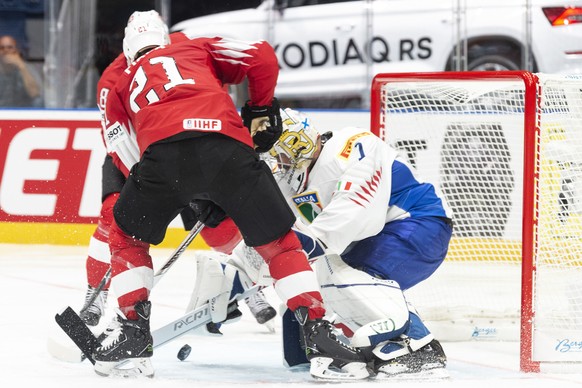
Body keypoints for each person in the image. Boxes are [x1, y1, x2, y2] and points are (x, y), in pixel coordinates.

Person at [93, 10, 366, 380]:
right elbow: (263, 56)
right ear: (167, 37)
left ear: (127, 49)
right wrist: (261, 107)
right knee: (280, 245)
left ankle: (132, 339)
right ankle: (321, 339)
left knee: (126, 237)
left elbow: (122, 151)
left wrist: (176, 190)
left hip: (162, 158)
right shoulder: (197, 47)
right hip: (229, 151)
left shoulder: (120, 82)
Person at [214, 108, 453, 378]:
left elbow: (333, 233)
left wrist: (269, 259)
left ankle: (420, 347)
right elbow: (281, 233)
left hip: (421, 224)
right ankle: (352, 347)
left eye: (279, 155)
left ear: (296, 143)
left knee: (333, 273)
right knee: (316, 283)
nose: (277, 165)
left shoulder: (352, 147)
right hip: (381, 237)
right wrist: (236, 273)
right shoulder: (294, 180)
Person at [80, 20, 276, 329]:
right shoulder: (112, 79)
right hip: (141, 154)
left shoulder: (187, 45)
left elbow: (213, 89)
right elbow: (118, 138)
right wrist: (147, 182)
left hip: (195, 143)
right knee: (112, 216)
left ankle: (247, 287)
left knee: (221, 230)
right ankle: (96, 292)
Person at [0, 35, 42, 107]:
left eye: (10, 47)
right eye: (1, 48)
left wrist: (21, 66)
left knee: (38, 100)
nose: (6, 51)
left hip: (22, 112)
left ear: (17, 51)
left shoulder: (27, 67)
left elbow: (35, 93)